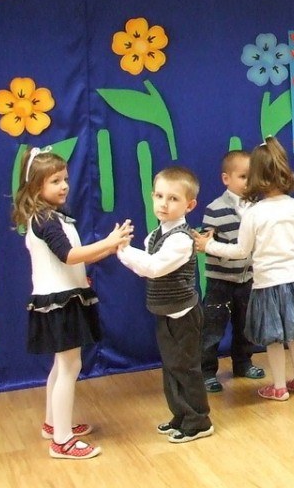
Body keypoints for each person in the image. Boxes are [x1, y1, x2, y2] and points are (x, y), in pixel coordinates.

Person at [12, 147, 132, 460]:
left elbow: (74, 259)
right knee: (70, 366)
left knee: (62, 365)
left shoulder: (52, 217)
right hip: (59, 303)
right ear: (36, 186)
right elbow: (68, 256)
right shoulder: (46, 220)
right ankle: (62, 441)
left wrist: (108, 248)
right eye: (55, 181)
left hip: (64, 298)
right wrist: (107, 242)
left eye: (65, 179)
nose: (64, 185)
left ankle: (53, 425)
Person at [199, 137, 294, 401]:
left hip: (267, 284)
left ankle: (279, 387)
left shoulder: (255, 212)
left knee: (274, 338)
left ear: (257, 176)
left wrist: (209, 246)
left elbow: (242, 251)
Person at [117, 166, 214, 443]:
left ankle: (199, 421)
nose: (163, 203)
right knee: (172, 366)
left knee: (186, 367)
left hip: (183, 314)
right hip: (166, 312)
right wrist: (125, 249)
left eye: (173, 198)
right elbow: (146, 261)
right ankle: (181, 415)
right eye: (159, 196)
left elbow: (153, 268)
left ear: (189, 205)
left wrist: (122, 250)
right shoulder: (155, 235)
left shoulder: (181, 239)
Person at [197, 150, 265, 393]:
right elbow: (207, 242)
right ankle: (206, 371)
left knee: (245, 325)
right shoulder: (215, 208)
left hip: (248, 278)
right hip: (220, 281)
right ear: (226, 179)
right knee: (212, 328)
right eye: (243, 176)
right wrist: (208, 242)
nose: (248, 182)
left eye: (252, 177)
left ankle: (243, 363)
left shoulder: (258, 208)